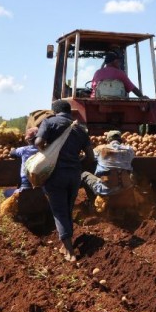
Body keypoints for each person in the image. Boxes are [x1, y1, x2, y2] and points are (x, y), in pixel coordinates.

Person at [36, 100, 95, 262]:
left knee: (59, 211)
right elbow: (90, 157)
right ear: (70, 112)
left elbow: (38, 142)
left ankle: (70, 251)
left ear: (54, 111)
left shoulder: (49, 122)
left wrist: (49, 156)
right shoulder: (80, 129)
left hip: (55, 174)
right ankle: (65, 244)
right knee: (68, 208)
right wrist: (76, 165)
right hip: (74, 175)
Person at [81, 129, 136, 200]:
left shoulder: (100, 149)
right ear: (121, 140)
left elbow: (90, 157)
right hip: (126, 187)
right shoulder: (130, 150)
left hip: (106, 189)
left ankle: (91, 201)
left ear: (108, 140)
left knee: (84, 174)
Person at [9, 127, 39, 193]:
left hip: (26, 182)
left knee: (6, 193)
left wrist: (12, 149)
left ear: (28, 140)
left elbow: (12, 153)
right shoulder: (44, 149)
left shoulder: (24, 150)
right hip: (41, 182)